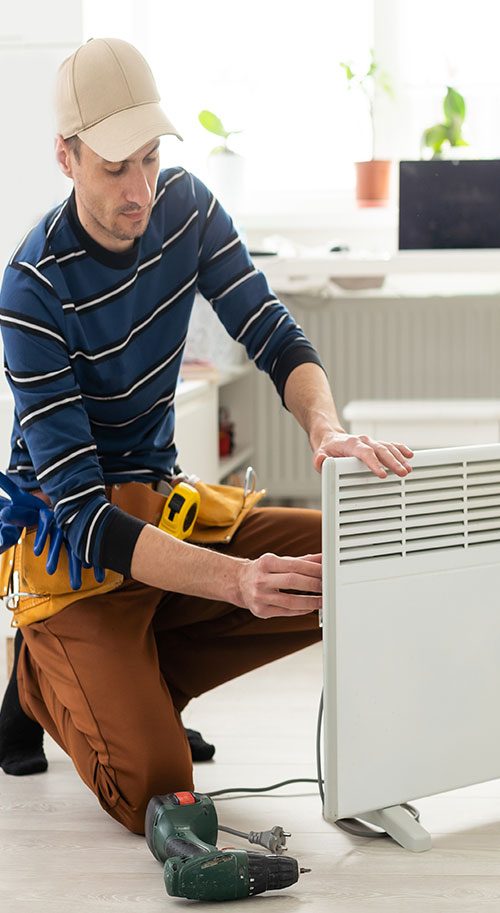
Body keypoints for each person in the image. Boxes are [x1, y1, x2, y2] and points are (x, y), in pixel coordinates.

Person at [0, 38, 413, 834]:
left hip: (162, 508)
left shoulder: (185, 207)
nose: (140, 189)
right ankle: (37, 676)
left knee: (359, 553)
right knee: (160, 780)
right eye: (116, 166)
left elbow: (273, 332)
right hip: (72, 540)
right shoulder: (31, 286)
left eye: (151, 159)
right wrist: (232, 582)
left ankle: (141, 678)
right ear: (66, 155)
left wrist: (326, 431)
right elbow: (83, 515)